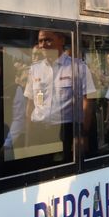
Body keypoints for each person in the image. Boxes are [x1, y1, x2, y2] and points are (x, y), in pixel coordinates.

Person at [24, 30, 96, 161]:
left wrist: (82, 134)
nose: (43, 45)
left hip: (65, 131)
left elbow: (88, 102)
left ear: (61, 41)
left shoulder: (78, 67)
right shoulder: (35, 69)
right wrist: (28, 136)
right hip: (39, 130)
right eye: (40, 41)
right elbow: (30, 104)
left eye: (48, 40)